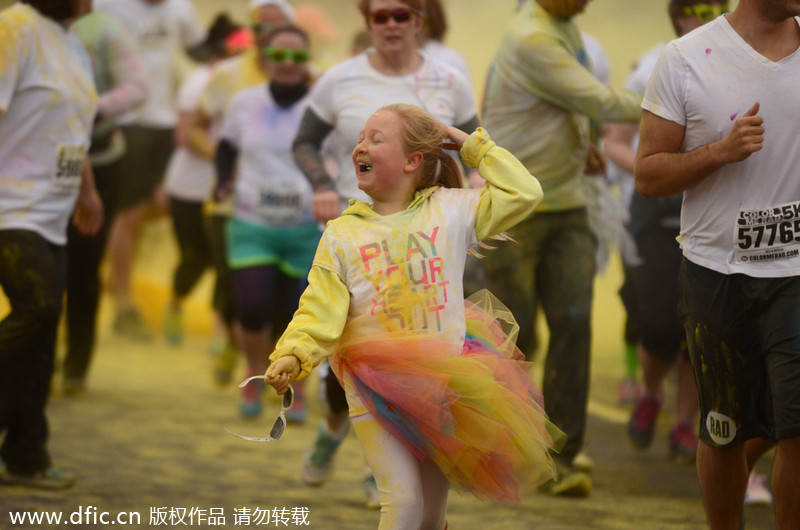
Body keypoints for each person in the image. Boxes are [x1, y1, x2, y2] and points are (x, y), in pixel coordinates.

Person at [265, 103, 563, 529]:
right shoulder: (341, 234)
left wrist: (469, 144)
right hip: (374, 387)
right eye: (360, 138)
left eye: (375, 138)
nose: (360, 147)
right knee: (402, 506)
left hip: (442, 386)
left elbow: (525, 193)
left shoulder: (452, 209)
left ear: (413, 161)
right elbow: (319, 309)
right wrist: (294, 354)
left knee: (429, 516)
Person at [290, 0, 479, 507]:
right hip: (358, 230)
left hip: (426, 230)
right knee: (346, 351)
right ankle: (336, 431)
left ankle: (389, 478)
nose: (391, 24)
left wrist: (471, 205)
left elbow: (474, 147)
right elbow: (305, 142)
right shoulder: (339, 79)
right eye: (380, 15)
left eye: (401, 14)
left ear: (420, 19)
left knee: (422, 351)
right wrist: (321, 186)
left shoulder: (451, 78)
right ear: (367, 21)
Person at [634, 0, 800, 527]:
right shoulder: (686, 58)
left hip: (796, 276)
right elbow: (648, 174)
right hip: (718, 274)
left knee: (798, 428)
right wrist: (718, 153)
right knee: (726, 431)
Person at [480, 0, 642, 497]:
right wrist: (681, 98)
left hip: (569, 202)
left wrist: (584, 142)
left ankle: (564, 456)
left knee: (574, 322)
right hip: (516, 210)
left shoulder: (563, 25)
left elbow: (574, 106)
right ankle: (503, 446)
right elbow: (596, 98)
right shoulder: (532, 37)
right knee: (518, 332)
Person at [605, 0, 731, 465]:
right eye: (699, 6)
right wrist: (655, 172)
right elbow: (615, 142)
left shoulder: (741, 60)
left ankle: (685, 420)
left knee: (700, 326)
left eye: (720, 5)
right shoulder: (661, 64)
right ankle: (651, 393)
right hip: (655, 214)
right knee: (658, 321)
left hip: (714, 212)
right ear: (678, 15)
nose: (710, 13)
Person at [0, 0, 102, 489]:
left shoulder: (69, 41)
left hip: (54, 212)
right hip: (8, 206)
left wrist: (88, 189)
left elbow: (72, 130)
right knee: (37, 308)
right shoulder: (13, 28)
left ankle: (25, 453)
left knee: (43, 337)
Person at [214, 24, 319, 422]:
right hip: (251, 221)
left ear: (307, 59)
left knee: (299, 314)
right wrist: (223, 180)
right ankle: (255, 374)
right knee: (254, 305)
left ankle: (299, 385)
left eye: (296, 57)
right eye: (279, 56)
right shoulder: (244, 102)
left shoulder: (320, 105)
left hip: (305, 225)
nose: (288, 64)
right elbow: (226, 146)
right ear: (265, 57)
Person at [191, 0, 296, 385]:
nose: (266, 35)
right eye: (258, 27)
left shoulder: (310, 77)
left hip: (290, 208)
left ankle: (274, 367)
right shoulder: (228, 76)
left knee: (283, 294)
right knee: (237, 288)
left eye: (275, 27)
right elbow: (196, 128)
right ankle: (238, 350)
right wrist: (225, 162)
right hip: (232, 204)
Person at [93, 0, 206, 341]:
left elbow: (200, 49)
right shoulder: (105, 4)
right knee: (127, 212)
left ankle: (115, 277)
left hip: (165, 119)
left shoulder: (180, 8)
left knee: (159, 204)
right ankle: (125, 304)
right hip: (127, 120)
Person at [61, 8, 148, 396]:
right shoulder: (19, 28)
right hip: (39, 161)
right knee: (41, 263)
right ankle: (35, 361)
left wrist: (94, 108)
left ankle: (74, 368)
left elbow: (137, 86)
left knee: (83, 262)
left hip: (101, 157)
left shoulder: (107, 30)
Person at [162, 14, 248, 347]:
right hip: (189, 186)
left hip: (225, 191)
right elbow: (184, 136)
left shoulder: (245, 82)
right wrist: (228, 159)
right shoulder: (199, 82)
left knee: (226, 261)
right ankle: (175, 303)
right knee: (195, 258)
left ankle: (220, 330)